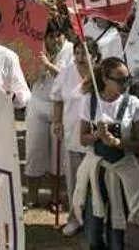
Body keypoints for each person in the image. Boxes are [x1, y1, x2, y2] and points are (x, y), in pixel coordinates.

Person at [73, 57, 139, 250]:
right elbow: (83, 139)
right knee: (93, 230)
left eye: (128, 79)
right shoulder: (89, 101)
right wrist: (97, 135)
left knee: (116, 229)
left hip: (122, 170)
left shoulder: (135, 105)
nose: (125, 84)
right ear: (105, 79)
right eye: (120, 80)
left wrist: (117, 142)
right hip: (95, 170)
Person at [51, 37, 101, 236]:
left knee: (95, 181)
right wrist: (57, 121)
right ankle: (74, 218)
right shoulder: (66, 73)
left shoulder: (102, 75)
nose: (80, 58)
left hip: (96, 137)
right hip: (72, 134)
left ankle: (95, 220)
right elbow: (56, 98)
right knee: (73, 180)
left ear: (95, 57)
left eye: (85, 54)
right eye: (77, 53)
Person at [25, 21, 74, 209]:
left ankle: (55, 197)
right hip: (37, 103)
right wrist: (37, 68)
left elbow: (70, 78)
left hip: (60, 107)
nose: (54, 41)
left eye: (58, 36)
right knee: (34, 152)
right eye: (50, 37)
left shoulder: (71, 50)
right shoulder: (36, 48)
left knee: (58, 158)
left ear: (64, 35)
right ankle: (32, 197)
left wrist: (49, 66)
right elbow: (28, 78)